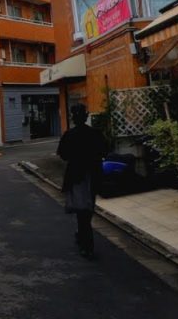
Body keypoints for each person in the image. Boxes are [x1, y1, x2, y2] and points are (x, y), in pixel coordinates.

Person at [58, 103, 108, 258]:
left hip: (76, 175)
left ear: (73, 118)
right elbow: (105, 150)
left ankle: (85, 243)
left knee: (81, 210)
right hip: (93, 174)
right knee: (88, 207)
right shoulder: (96, 134)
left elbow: (63, 154)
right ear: (86, 117)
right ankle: (85, 241)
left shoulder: (69, 135)